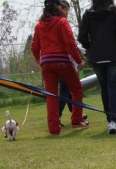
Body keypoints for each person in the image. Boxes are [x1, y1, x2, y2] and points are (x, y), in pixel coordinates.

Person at [31, 1, 88, 135]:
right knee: (76, 88)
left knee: (51, 95)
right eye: (63, 7)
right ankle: (77, 120)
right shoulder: (61, 22)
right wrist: (79, 61)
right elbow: (70, 42)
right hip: (62, 61)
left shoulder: (39, 25)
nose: (64, 10)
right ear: (57, 7)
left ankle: (54, 128)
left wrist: (39, 60)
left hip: (46, 63)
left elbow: (34, 47)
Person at [78, 0, 116, 136]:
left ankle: (110, 119)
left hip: (97, 57)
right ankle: (113, 119)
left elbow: (81, 36)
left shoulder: (88, 14)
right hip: (113, 55)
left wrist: (91, 47)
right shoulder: (114, 12)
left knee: (104, 88)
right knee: (113, 87)